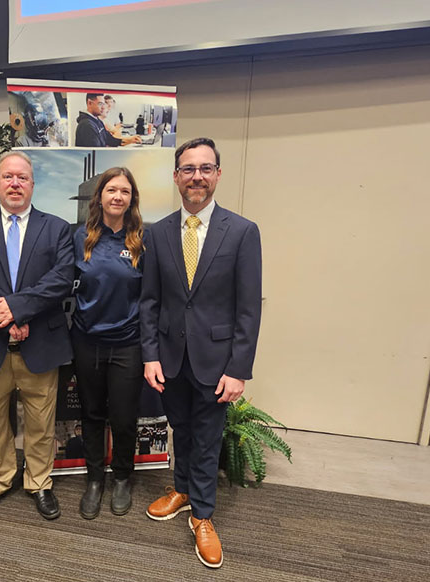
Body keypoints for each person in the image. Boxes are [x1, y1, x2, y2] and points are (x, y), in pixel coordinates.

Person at [140, 137, 262, 568]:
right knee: (181, 430)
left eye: (205, 168)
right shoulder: (156, 233)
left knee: (208, 439)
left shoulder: (243, 232)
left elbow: (248, 308)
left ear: (217, 175)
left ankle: (203, 516)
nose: (196, 177)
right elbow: (149, 301)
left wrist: (238, 369)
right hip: (170, 359)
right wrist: (150, 355)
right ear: (176, 177)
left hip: (216, 362)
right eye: (188, 169)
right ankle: (182, 488)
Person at [0, 151, 74, 522]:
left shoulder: (57, 228)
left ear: (33, 185)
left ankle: (39, 482)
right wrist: (9, 315)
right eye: (8, 177)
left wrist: (19, 309)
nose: (15, 183)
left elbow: (61, 278)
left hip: (39, 343)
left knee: (41, 422)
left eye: (23, 177)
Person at [72, 167, 145, 519]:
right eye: (111, 190)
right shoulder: (80, 237)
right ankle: (95, 479)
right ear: (99, 196)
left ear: (132, 199)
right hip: (86, 342)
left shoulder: (141, 241)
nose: (118, 196)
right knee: (92, 414)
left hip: (128, 345)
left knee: (124, 418)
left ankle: (121, 478)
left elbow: (152, 296)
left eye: (125, 191)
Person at [75, 94, 140, 147]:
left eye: (103, 104)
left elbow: (110, 140)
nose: (103, 107)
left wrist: (131, 140)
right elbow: (97, 152)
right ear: (89, 103)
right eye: (100, 104)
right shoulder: (86, 125)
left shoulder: (97, 121)